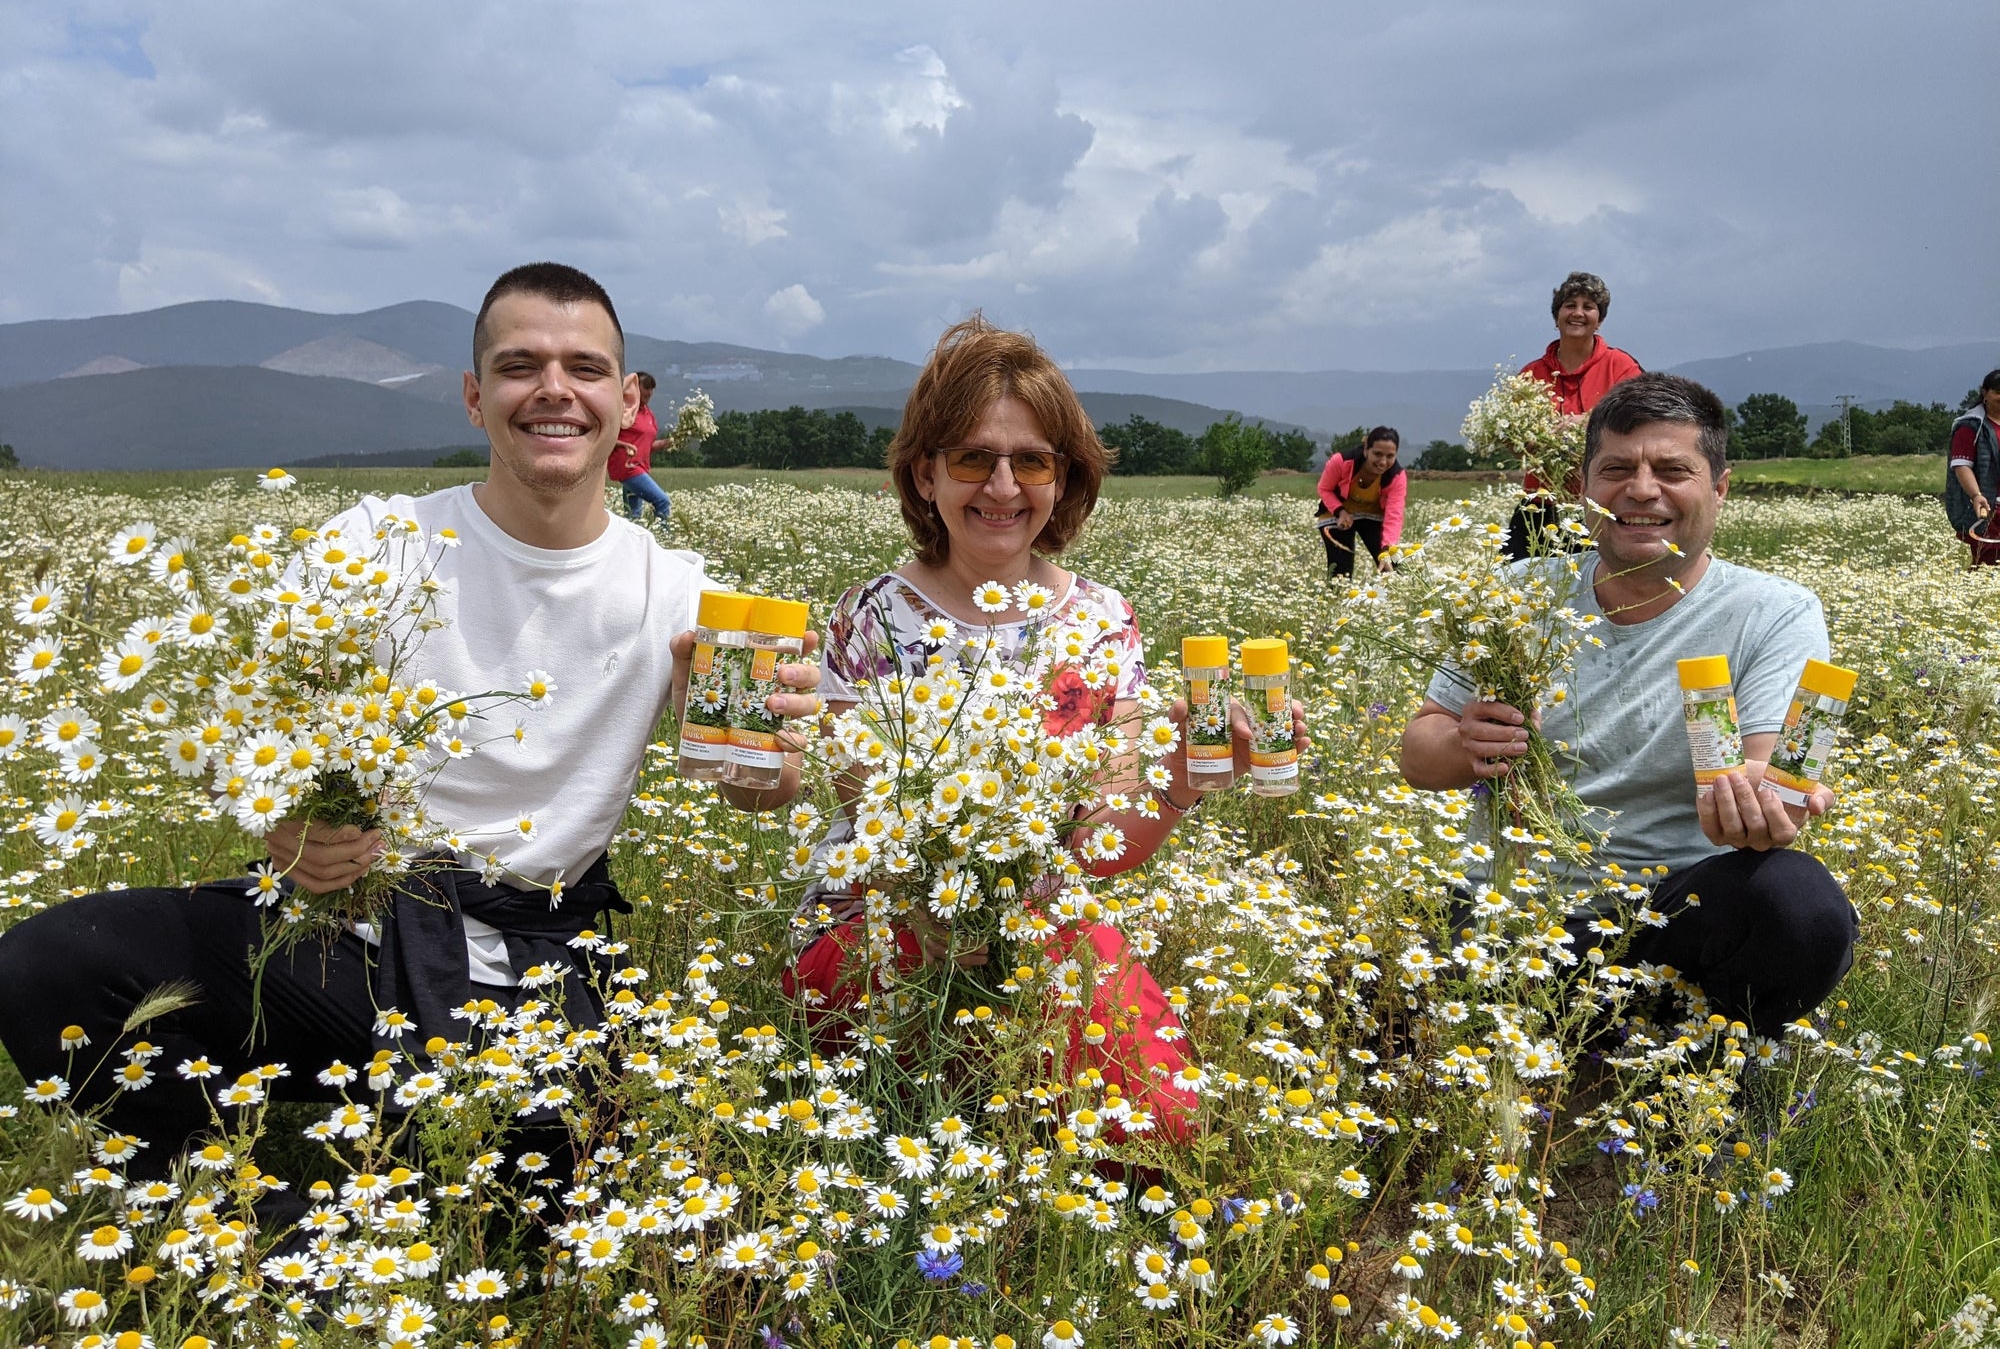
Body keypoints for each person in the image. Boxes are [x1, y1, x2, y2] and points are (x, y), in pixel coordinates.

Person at [0, 262, 821, 1194]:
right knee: (50, 967)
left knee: (544, 1192)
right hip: (342, 935)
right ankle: (201, 1194)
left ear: (626, 400)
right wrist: (285, 824)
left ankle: (440, 1135)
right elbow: (248, 733)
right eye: (520, 366)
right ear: (476, 398)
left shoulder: (678, 591)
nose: (554, 389)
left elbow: (756, 794)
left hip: (531, 957)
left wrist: (766, 763)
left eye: (584, 369)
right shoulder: (376, 540)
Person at [782, 314, 1305, 1143]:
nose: (1001, 487)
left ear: (1063, 481)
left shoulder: (1100, 623)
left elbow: (1105, 838)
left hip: (1040, 925)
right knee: (896, 1104)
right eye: (970, 459)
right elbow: (874, 820)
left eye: (1030, 461)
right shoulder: (873, 615)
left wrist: (1180, 786)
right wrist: (951, 914)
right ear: (924, 476)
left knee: (1164, 1121)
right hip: (886, 919)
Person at [1400, 373, 1857, 1036]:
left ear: (1720, 488)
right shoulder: (1518, 592)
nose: (1642, 489)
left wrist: (1764, 809)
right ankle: (1585, 1040)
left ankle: (1710, 1067)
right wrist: (1466, 745)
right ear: (1582, 488)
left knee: (1800, 904)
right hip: (1513, 907)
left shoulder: (1775, 613)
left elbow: (1769, 775)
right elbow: (1418, 755)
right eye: (1617, 469)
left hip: (1675, 917)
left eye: (1673, 470)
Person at [1503, 271, 1644, 560]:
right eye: (1570, 305)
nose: (1578, 313)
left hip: (1600, 503)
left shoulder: (1621, 367)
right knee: (1513, 580)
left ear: (1599, 319)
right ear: (1556, 318)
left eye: (1588, 306)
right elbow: (1513, 443)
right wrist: (1538, 438)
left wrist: (1587, 423)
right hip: (1539, 504)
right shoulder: (1531, 375)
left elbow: (1640, 421)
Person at [1316, 426, 1405, 581]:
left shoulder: (1396, 476)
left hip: (1373, 515)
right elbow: (1324, 489)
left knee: (1394, 567)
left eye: (1390, 456)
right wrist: (1340, 511)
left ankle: (1398, 600)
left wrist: (1387, 550)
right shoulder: (1341, 461)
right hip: (1336, 514)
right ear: (1366, 450)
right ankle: (1337, 598)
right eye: (1377, 454)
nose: (1383, 462)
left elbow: (1394, 515)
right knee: (1340, 572)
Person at [1945, 369, 2000, 567]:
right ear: (1985, 393)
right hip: (1989, 509)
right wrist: (1976, 494)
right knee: (1987, 565)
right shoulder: (1971, 426)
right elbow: (1961, 465)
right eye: (1998, 392)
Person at [609, 369, 675, 526]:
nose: (650, 392)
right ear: (635, 389)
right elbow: (606, 437)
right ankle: (663, 540)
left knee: (634, 516)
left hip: (641, 466)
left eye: (652, 388)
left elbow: (648, 445)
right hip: (628, 467)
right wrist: (623, 444)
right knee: (662, 501)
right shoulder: (623, 411)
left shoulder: (648, 414)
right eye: (646, 387)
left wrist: (672, 441)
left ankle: (630, 546)